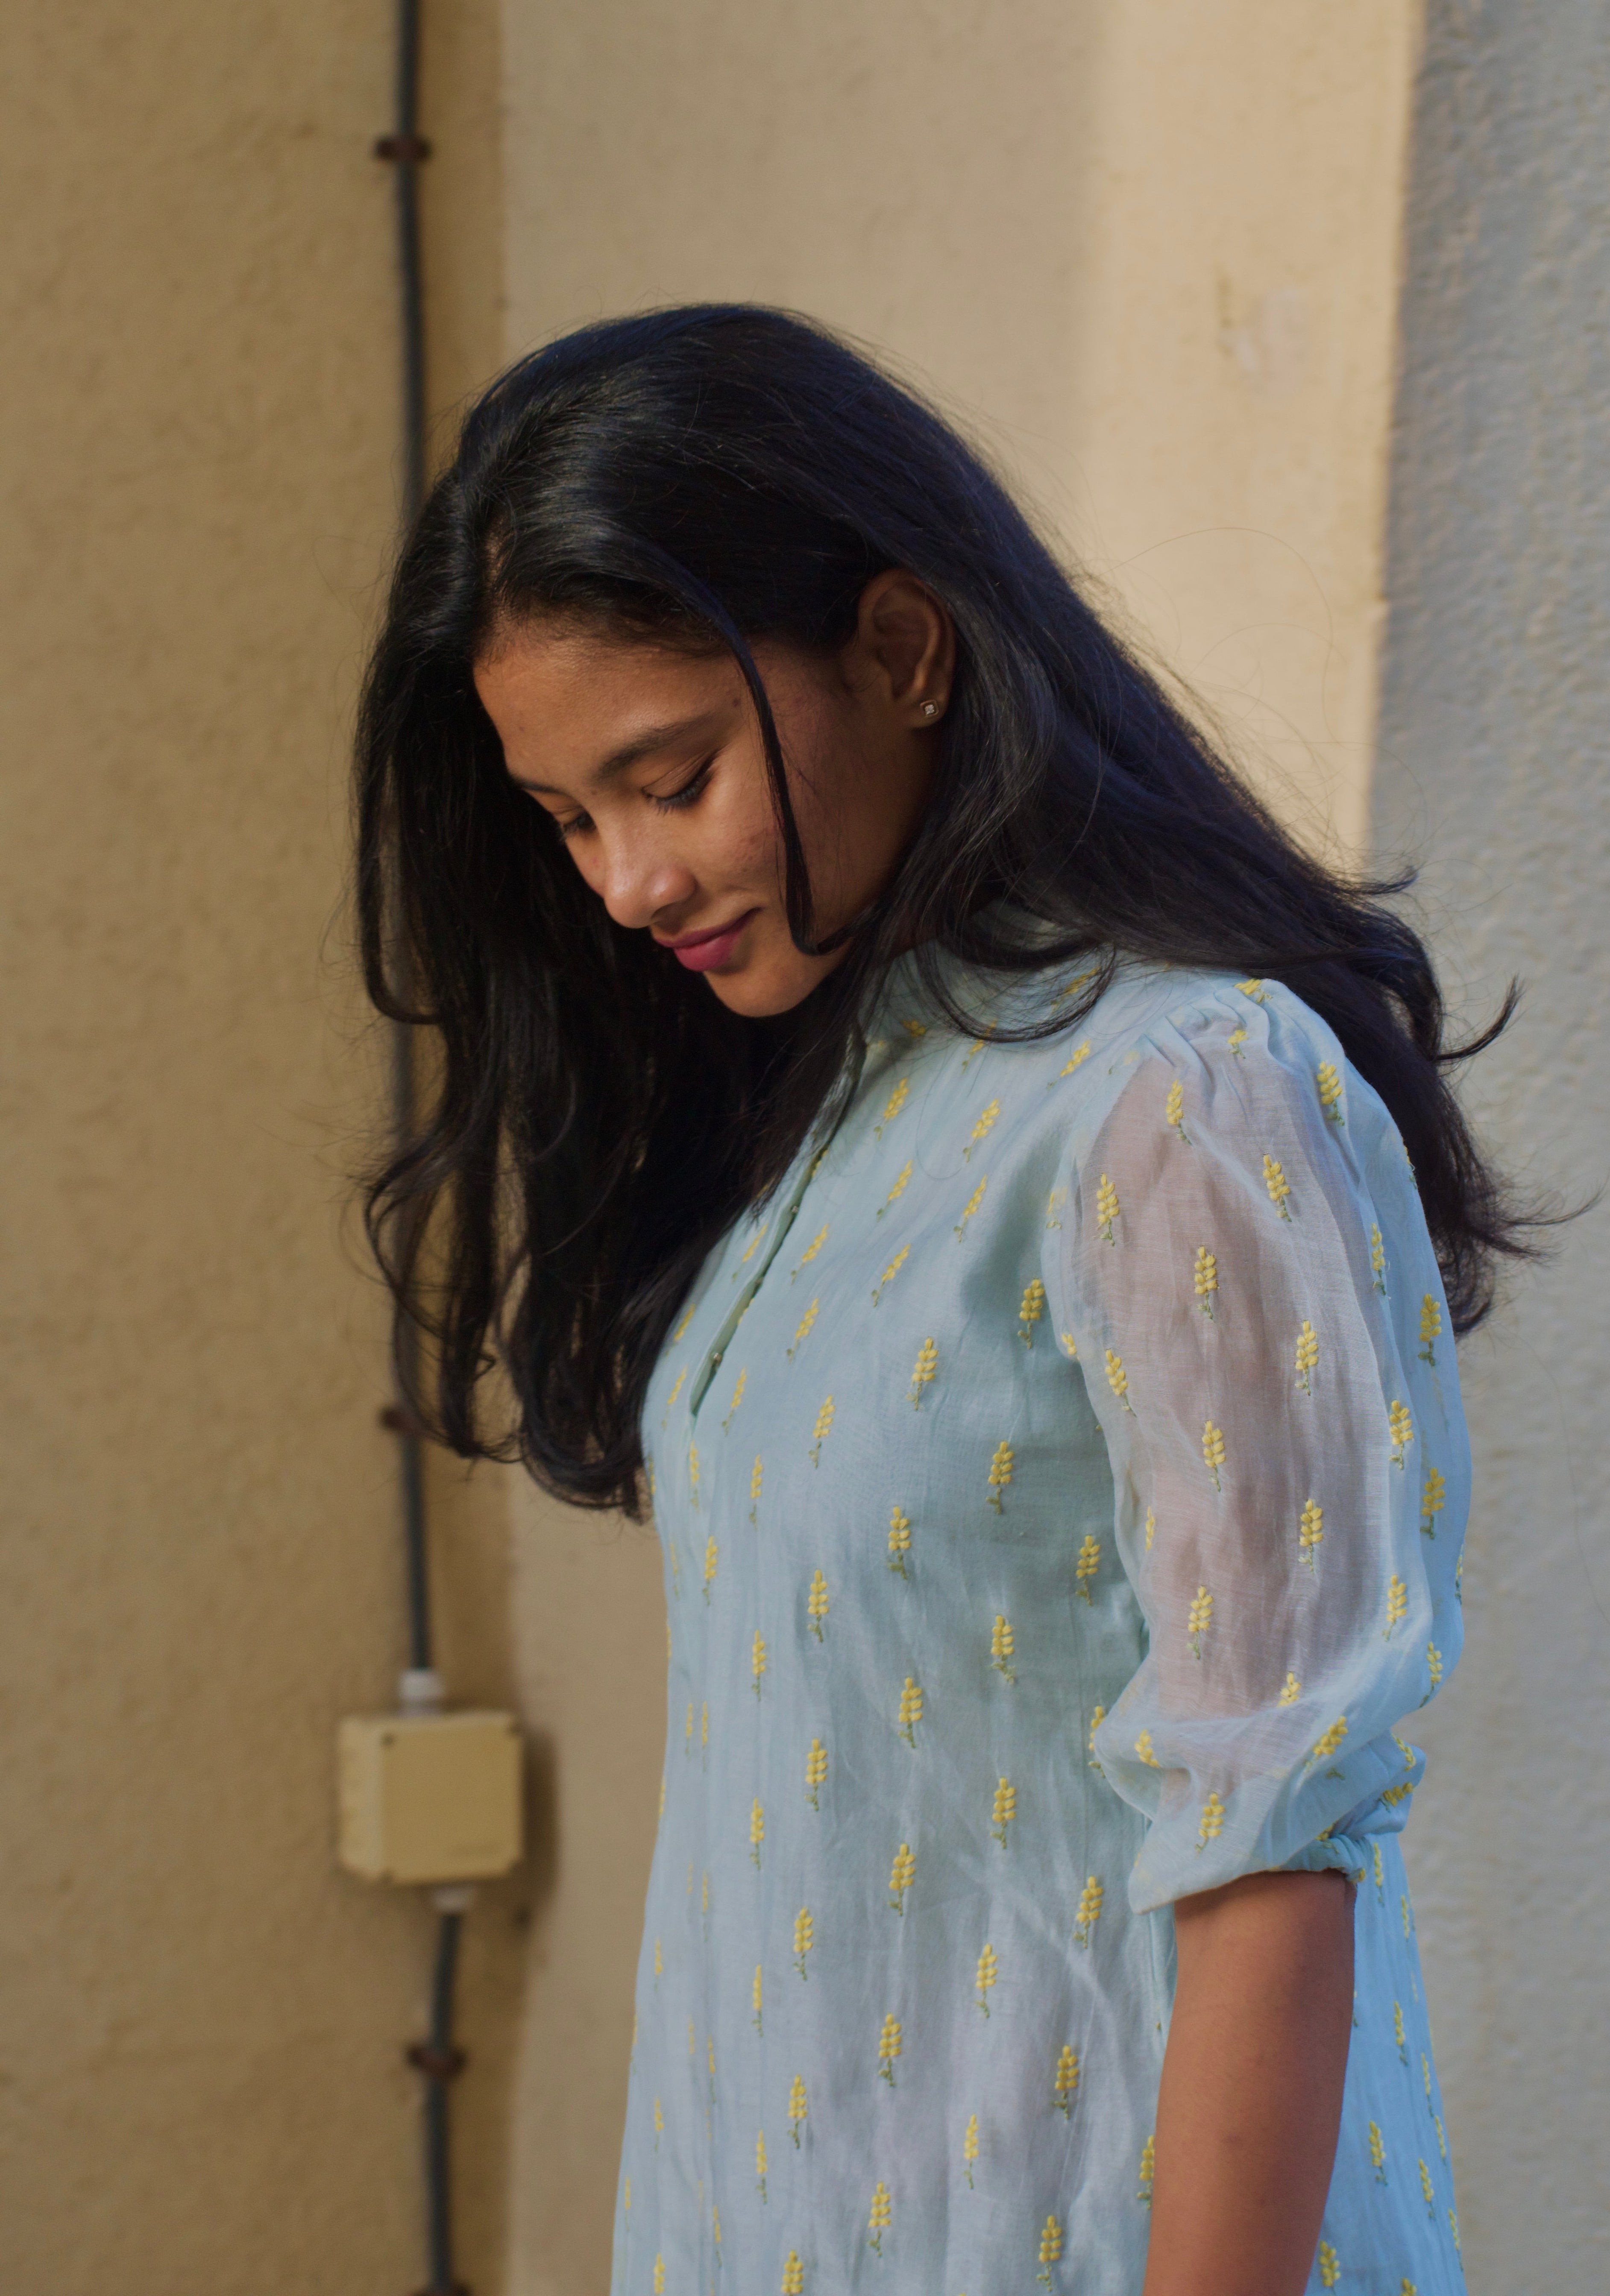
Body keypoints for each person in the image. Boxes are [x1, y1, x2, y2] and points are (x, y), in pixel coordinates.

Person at [356, 307, 1530, 2296]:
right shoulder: (830, 1117)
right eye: (570, 820)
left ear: (905, 650)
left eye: (673, 777)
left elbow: (1274, 1855)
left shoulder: (1180, 1098)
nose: (627, 883)